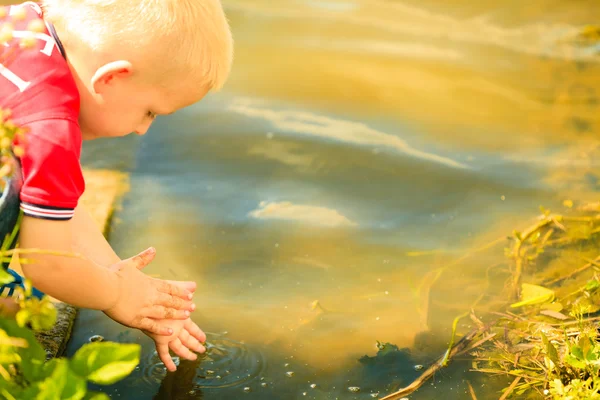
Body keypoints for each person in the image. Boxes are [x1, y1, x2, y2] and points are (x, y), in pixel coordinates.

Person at [0, 0, 233, 371]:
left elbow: (61, 210)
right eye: (150, 111)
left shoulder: (21, 24)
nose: (144, 128)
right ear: (111, 78)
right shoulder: (52, 128)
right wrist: (119, 294)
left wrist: (118, 274)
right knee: (19, 280)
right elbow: (48, 265)